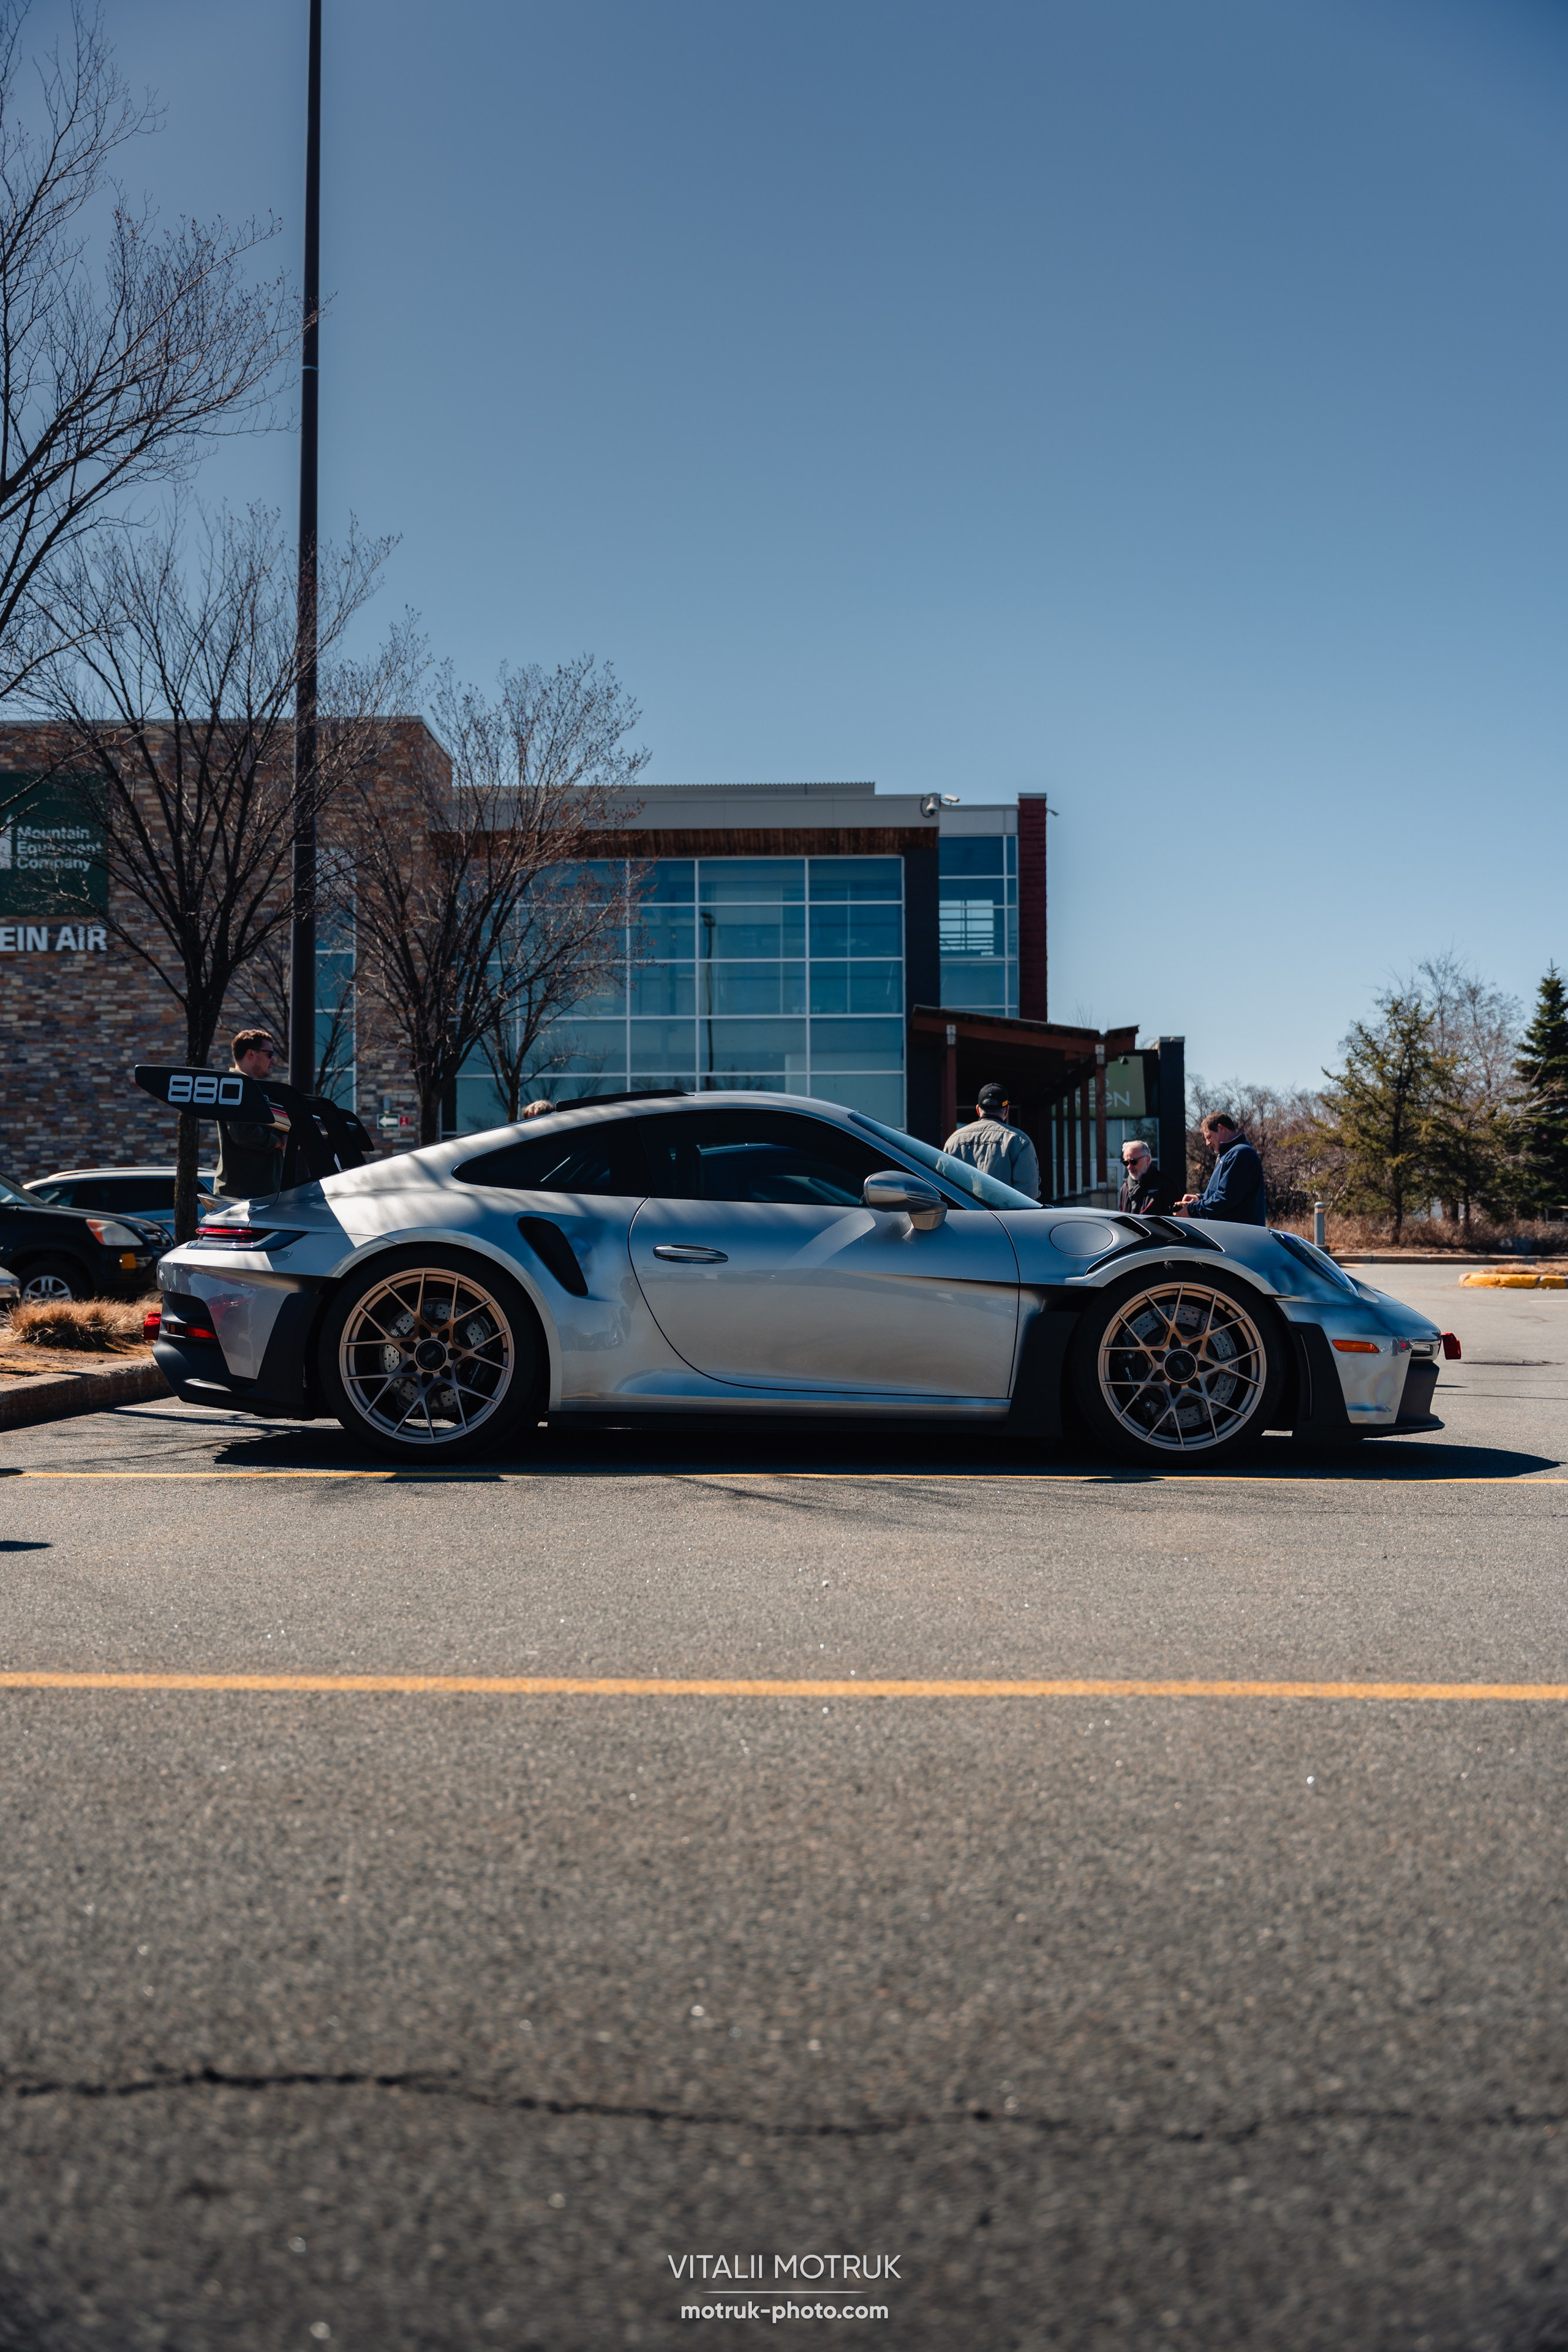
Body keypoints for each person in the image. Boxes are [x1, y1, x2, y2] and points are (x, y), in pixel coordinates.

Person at [213, 1029, 290, 1200]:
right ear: (251, 1054)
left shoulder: (250, 1088)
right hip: (244, 1195)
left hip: (257, 1191)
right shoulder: (234, 1087)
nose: (273, 1060)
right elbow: (244, 1134)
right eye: (269, 1054)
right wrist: (279, 1142)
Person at [943, 1082, 1041, 1201]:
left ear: (978, 1110)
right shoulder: (1018, 1141)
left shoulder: (954, 1141)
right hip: (1005, 1218)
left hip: (964, 1217)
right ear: (1007, 1111)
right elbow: (1028, 1191)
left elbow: (943, 1186)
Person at [1176, 1110, 1267, 1225]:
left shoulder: (1240, 1154)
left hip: (1239, 1236)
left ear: (1221, 1129)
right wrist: (1200, 1198)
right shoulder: (1229, 1155)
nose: (1207, 1143)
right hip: (1228, 1234)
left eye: (1209, 1137)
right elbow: (1226, 1193)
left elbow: (1226, 1199)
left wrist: (1191, 1210)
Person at [1117, 1137, 1176, 1216]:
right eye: (1126, 1163)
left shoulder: (1165, 1185)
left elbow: (1175, 1219)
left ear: (1148, 1160)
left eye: (1133, 1162)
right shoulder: (1125, 1188)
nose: (1129, 1167)